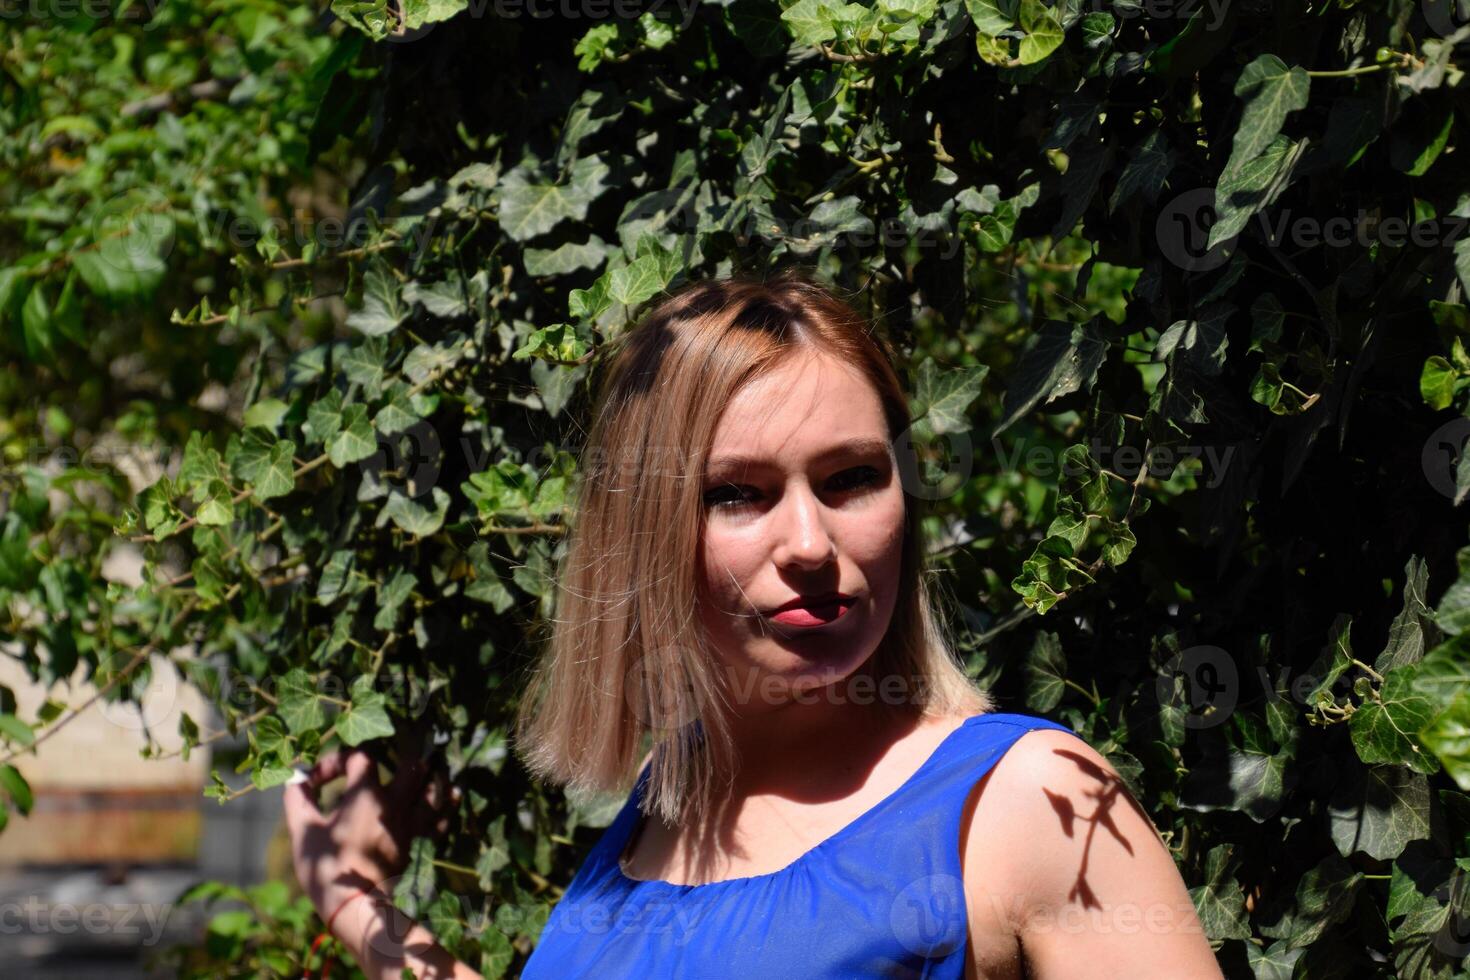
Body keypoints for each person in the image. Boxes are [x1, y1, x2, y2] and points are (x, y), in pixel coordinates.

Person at [283, 271, 1224, 979]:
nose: (811, 542)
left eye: (853, 477)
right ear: (645, 530)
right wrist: (355, 899)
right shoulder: (667, 804)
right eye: (739, 494)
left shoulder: (1026, 803)